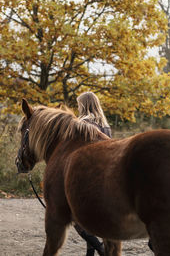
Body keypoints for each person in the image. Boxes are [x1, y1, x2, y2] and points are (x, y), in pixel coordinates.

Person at [74, 92, 111, 256]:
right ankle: (90, 254)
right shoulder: (106, 126)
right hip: (105, 176)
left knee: (77, 219)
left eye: (78, 104)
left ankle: (101, 250)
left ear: (83, 105)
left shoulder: (82, 124)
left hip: (87, 176)